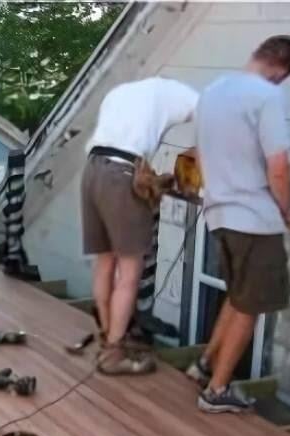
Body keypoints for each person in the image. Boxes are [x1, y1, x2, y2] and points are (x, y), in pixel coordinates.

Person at [189, 35, 290, 413]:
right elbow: (279, 167)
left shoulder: (213, 92)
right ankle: (217, 391)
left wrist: (216, 192)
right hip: (255, 218)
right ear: (280, 70)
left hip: (219, 213)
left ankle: (204, 365)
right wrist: (286, 210)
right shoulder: (267, 96)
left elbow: (200, 155)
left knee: (236, 297)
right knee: (251, 305)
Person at [82, 77, 199, 374]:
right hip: (121, 174)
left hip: (93, 171)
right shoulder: (185, 95)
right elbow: (211, 126)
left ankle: (108, 339)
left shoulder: (121, 90)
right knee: (130, 274)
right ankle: (113, 354)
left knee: (104, 264)